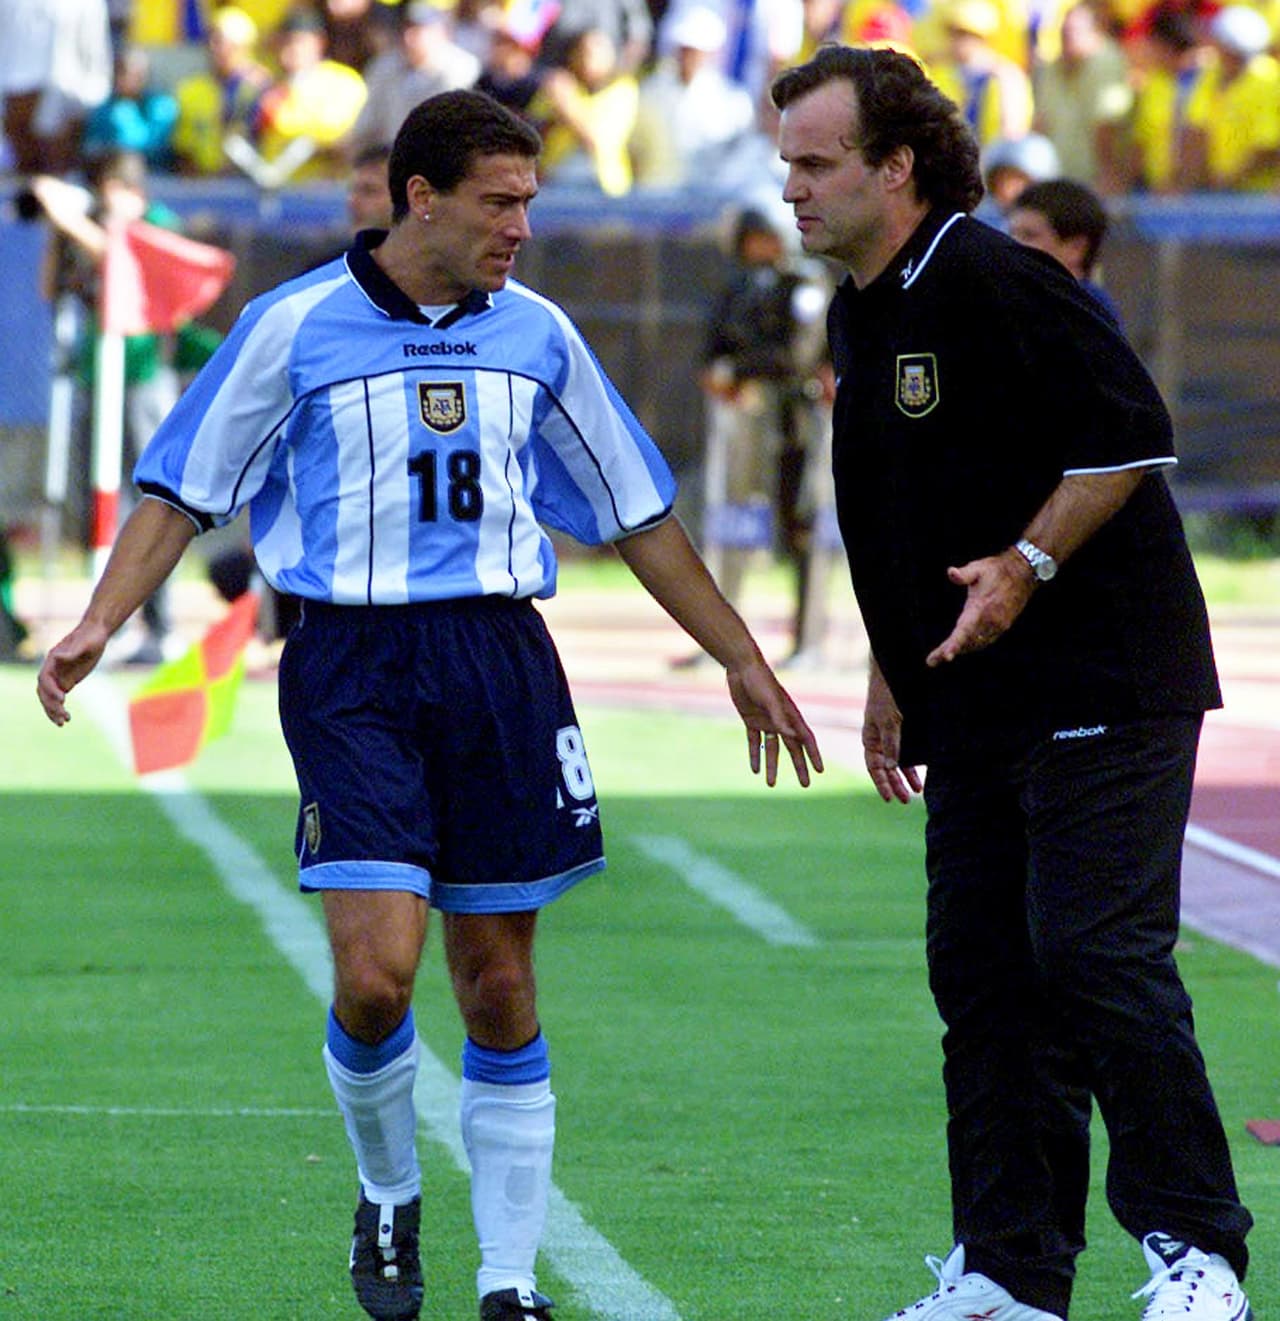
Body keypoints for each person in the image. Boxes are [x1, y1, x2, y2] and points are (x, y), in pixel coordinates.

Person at [36, 88, 822, 1321]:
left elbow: (636, 513)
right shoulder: (291, 327)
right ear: (420, 197)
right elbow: (183, 489)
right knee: (376, 978)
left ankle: (507, 1282)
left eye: (528, 202)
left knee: (498, 982)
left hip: (499, 663)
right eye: (500, 202)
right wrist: (100, 620)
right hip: (350, 665)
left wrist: (739, 656)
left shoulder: (541, 335)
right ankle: (389, 1188)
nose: (521, 227)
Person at [771, 43, 1253, 1321]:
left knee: (1094, 951)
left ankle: (1197, 1250)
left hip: (1104, 671)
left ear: (898, 166)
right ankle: (1008, 1271)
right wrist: (887, 669)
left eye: (815, 164)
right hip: (970, 695)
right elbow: (889, 507)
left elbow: (1132, 435)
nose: (792, 190)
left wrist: (1027, 563)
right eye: (786, 166)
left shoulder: (1002, 278)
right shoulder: (858, 307)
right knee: (980, 976)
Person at [28, 150, 197, 665]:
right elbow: (47, 289)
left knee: (159, 499)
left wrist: (73, 222)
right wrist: (59, 235)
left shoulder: (158, 225)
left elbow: (123, 259)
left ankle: (161, 626)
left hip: (145, 376)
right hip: (97, 376)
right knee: (107, 504)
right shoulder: (87, 227)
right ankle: (115, 622)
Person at [348, 1, 482, 158]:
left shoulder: (464, 68)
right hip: (389, 162)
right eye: (406, 28)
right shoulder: (384, 67)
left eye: (418, 29)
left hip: (441, 164)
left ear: (442, 31)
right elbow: (365, 128)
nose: (408, 37)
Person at [1177, 4, 1280, 191]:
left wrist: (1228, 180)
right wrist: (1192, 181)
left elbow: (1268, 146)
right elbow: (1195, 128)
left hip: (1258, 199)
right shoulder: (1211, 74)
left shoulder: (1268, 79)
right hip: (1216, 193)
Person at [1007, 177, 1123, 327]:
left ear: (1076, 248)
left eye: (1029, 235)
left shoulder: (1086, 311)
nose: (1013, 243)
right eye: (1011, 233)